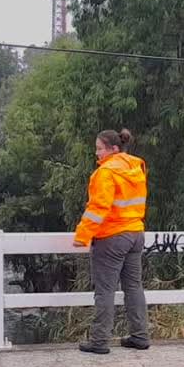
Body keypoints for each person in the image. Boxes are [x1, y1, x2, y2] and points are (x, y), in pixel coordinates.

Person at [73, 128, 150, 354]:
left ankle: (99, 341)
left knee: (105, 290)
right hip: (135, 233)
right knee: (134, 287)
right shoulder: (136, 168)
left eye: (99, 149)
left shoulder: (105, 173)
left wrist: (82, 235)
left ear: (113, 149)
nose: (96, 153)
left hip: (112, 237)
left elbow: (98, 208)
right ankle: (140, 336)